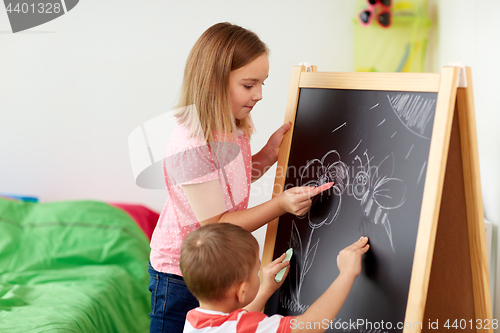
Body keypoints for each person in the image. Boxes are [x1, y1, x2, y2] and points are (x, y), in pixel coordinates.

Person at [148, 22, 333, 333]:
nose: (259, 95)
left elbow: (232, 185)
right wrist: (280, 205)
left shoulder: (233, 125)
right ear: (213, 83)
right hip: (183, 275)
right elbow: (218, 224)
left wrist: (266, 156)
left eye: (263, 84)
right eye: (249, 85)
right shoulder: (192, 143)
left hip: (219, 267)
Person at [180, 223, 370, 333]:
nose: (259, 273)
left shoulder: (194, 320)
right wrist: (346, 273)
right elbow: (309, 326)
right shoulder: (247, 328)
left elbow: (233, 319)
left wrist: (265, 290)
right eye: (256, 271)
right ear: (242, 290)